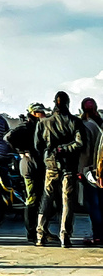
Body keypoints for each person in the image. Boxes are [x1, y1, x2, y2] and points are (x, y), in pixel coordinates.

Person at [35, 90, 85, 248]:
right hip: (68, 165)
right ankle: (65, 235)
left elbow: (38, 145)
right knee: (67, 201)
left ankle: (40, 234)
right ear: (68, 103)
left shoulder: (43, 122)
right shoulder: (75, 122)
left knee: (47, 197)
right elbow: (80, 143)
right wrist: (64, 148)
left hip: (51, 164)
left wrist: (50, 152)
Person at [7, 103, 48, 244]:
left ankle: (39, 229)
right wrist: (20, 151)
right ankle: (31, 232)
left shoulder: (37, 125)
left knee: (40, 199)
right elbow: (8, 137)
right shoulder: (26, 127)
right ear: (35, 113)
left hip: (36, 165)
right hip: (30, 166)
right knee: (32, 199)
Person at [79, 98, 102, 246]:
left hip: (92, 171)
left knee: (94, 204)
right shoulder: (100, 123)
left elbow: (86, 152)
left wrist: (81, 169)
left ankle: (98, 235)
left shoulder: (87, 126)